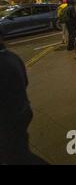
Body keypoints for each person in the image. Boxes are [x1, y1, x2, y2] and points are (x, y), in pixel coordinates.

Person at [0, 29, 47, 165]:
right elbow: (25, 82)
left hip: (9, 118)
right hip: (22, 110)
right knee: (17, 153)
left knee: (16, 155)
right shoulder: (13, 57)